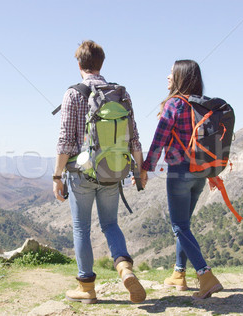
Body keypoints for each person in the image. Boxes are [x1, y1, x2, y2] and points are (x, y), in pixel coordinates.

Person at [53, 40, 146, 304]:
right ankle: (124, 268)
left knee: (81, 228)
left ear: (80, 64)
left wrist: (57, 176)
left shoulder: (73, 94)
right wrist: (139, 171)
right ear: (101, 63)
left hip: (80, 173)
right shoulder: (120, 93)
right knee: (110, 224)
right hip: (113, 171)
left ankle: (87, 288)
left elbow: (65, 142)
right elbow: (134, 138)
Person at [140, 59, 223, 299]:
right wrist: (212, 173)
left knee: (179, 226)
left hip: (180, 171)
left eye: (171, 73)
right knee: (184, 225)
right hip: (201, 172)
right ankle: (178, 274)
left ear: (181, 78)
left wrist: (146, 168)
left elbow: (159, 140)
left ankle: (205, 276)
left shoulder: (175, 104)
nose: (167, 76)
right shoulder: (204, 106)